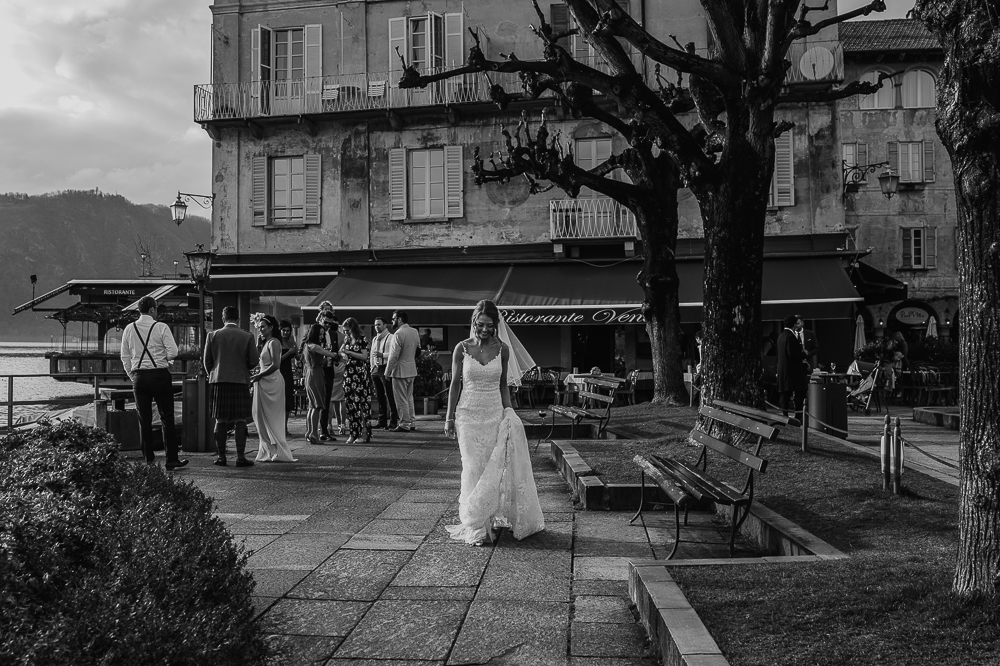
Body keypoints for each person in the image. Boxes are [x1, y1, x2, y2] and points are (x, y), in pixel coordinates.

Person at [443, 299, 544, 546]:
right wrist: (449, 416)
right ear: (474, 322)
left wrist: (509, 411)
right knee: (472, 467)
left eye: (489, 325)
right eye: (481, 324)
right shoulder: (461, 348)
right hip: (467, 415)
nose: (485, 329)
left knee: (491, 469)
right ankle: (475, 524)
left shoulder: (503, 350)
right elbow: (455, 384)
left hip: (493, 413)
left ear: (496, 325)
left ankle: (488, 517)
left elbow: (503, 385)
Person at [120, 296, 187, 470]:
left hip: (139, 378)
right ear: (151, 310)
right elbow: (173, 351)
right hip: (160, 375)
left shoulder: (129, 328)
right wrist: (164, 360)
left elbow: (124, 356)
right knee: (167, 418)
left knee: (145, 420)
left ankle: (149, 460)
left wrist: (132, 375)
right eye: (156, 308)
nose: (157, 311)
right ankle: (171, 459)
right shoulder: (161, 327)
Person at [203, 306, 260, 467]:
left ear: (223, 318)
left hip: (219, 381)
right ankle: (241, 457)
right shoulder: (247, 336)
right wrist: (244, 367)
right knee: (240, 419)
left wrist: (213, 373)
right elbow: (254, 361)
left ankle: (221, 457)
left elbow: (207, 361)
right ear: (238, 319)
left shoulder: (212, 335)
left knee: (220, 420)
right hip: (240, 380)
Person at [251, 314, 297, 462]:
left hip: (272, 381)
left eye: (263, 327)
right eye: (259, 327)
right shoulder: (265, 342)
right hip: (264, 381)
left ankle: (279, 449)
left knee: (273, 417)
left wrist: (259, 375)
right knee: (260, 417)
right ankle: (269, 449)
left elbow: (276, 365)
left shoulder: (274, 342)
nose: (260, 330)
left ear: (271, 327)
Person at [301, 323, 340, 445]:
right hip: (316, 374)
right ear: (314, 334)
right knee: (317, 405)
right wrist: (337, 355)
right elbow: (329, 353)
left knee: (312, 406)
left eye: (323, 334)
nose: (322, 336)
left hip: (310, 373)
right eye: (321, 334)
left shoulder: (307, 345)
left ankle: (309, 432)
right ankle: (314, 434)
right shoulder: (314, 346)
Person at [385, 309, 421, 432]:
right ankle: (412, 422)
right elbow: (418, 350)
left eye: (393, 318)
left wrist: (387, 371)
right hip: (411, 368)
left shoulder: (398, 334)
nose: (392, 321)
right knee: (409, 397)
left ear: (399, 319)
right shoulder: (415, 332)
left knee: (401, 399)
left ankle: (404, 423)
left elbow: (393, 355)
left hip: (400, 370)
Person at [339, 317, 373, 445]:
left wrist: (349, 352)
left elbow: (364, 356)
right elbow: (342, 352)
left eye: (347, 330)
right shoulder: (347, 339)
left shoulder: (361, 339)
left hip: (359, 376)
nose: (346, 333)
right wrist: (343, 354)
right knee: (350, 405)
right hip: (348, 375)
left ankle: (365, 433)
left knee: (361, 405)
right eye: (344, 331)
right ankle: (353, 433)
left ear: (353, 328)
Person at [776, 314, 809, 418]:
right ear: (794, 324)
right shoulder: (790, 336)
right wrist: (803, 354)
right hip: (792, 371)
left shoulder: (781, 336)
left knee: (784, 394)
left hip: (783, 370)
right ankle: (798, 415)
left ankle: (785, 415)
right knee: (801, 390)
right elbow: (792, 354)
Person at [369, 315, 398, 430]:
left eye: (379, 324)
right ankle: (382, 421)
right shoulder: (375, 339)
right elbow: (372, 354)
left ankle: (393, 421)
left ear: (385, 325)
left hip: (386, 367)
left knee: (389, 395)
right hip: (376, 369)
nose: (377, 327)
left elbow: (394, 353)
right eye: (375, 325)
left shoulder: (391, 337)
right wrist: (372, 368)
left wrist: (383, 355)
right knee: (379, 396)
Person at [317, 311, 341, 441]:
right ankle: (317, 430)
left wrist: (336, 357)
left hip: (330, 370)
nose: (327, 325)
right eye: (325, 322)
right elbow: (304, 349)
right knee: (318, 401)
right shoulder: (314, 332)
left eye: (329, 323)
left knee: (327, 401)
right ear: (320, 319)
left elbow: (335, 350)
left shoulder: (333, 334)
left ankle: (325, 429)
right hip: (318, 370)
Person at [278, 320, 297, 434]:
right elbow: (277, 360)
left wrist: (295, 347)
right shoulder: (277, 342)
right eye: (283, 330)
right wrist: (289, 352)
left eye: (288, 331)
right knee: (279, 401)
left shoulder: (291, 342)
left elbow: (298, 357)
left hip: (288, 373)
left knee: (288, 402)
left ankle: (284, 427)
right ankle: (279, 427)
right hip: (279, 372)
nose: (285, 333)